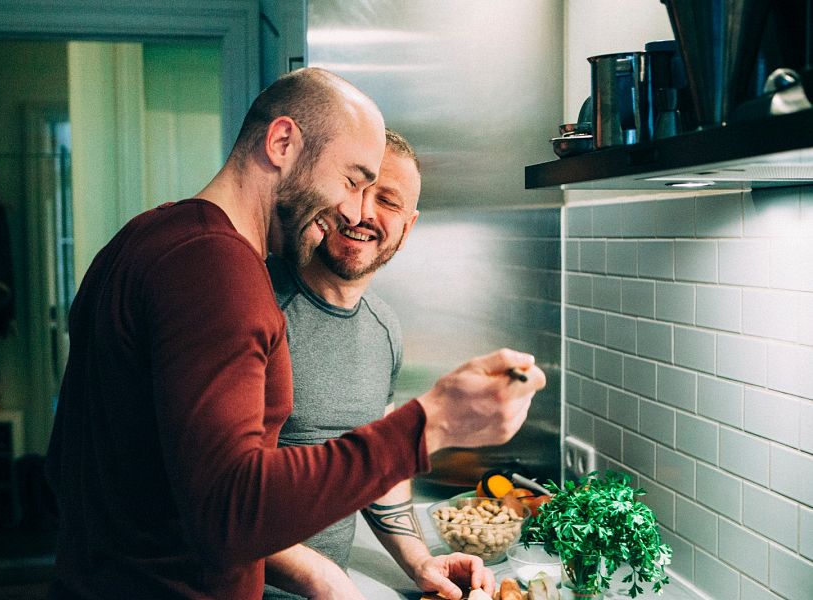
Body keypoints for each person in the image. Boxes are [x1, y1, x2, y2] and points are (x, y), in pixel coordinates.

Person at [45, 67, 545, 600]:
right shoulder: (217, 272)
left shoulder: (150, 236)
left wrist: (413, 554)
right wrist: (431, 423)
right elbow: (229, 515)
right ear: (282, 142)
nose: (351, 209)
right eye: (352, 181)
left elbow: (72, 462)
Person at [264, 129, 492, 600]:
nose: (363, 212)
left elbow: (378, 469)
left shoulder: (383, 329)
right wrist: (321, 579)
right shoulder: (256, 305)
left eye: (387, 200)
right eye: (354, 188)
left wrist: (421, 561)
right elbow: (208, 491)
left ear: (407, 228)